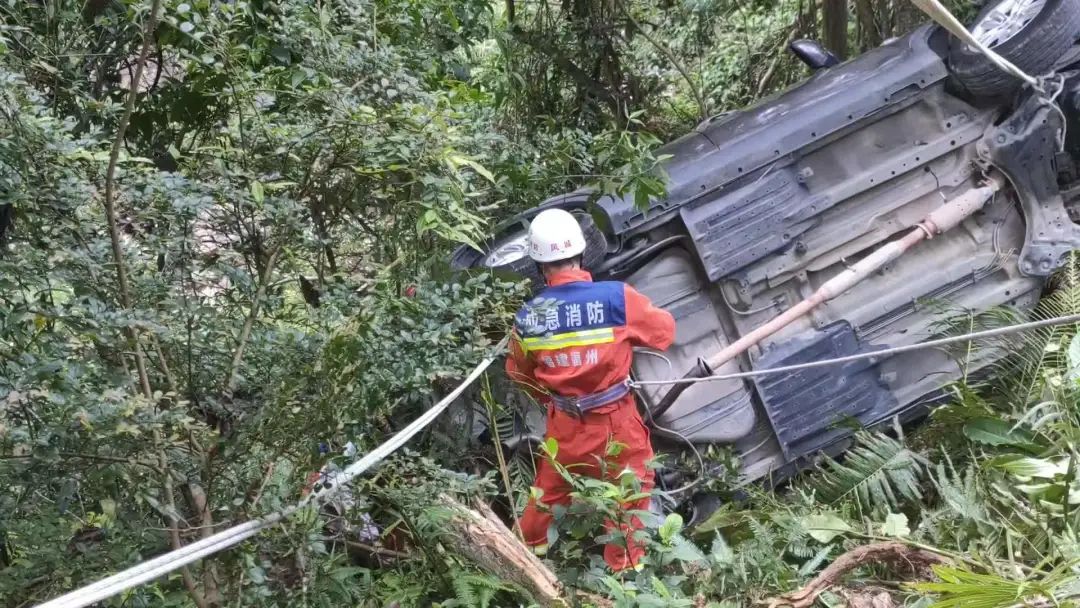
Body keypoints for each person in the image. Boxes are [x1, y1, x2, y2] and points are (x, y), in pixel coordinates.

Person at [505, 208, 676, 572]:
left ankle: (519, 563)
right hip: (617, 422)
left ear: (539, 265)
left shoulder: (528, 319)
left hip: (565, 426)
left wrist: (553, 393)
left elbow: (520, 375)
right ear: (582, 253)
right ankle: (626, 578)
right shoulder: (616, 298)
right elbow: (664, 333)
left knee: (546, 497)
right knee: (631, 497)